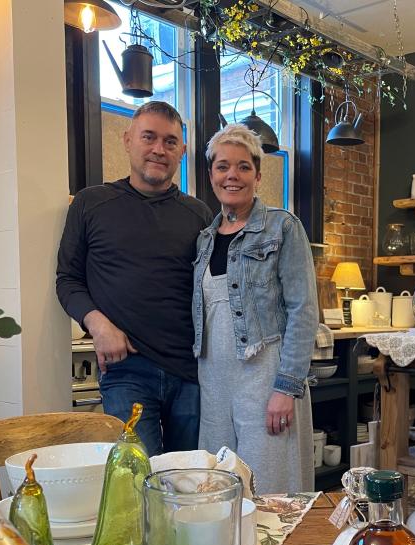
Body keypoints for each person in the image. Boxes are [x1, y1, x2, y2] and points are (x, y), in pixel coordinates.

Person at [57, 101, 213, 455]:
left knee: (185, 480)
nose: (159, 149)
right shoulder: (90, 203)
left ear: (182, 152)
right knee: (138, 476)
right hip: (126, 368)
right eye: (149, 137)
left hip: (192, 371)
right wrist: (98, 326)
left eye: (170, 142)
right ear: (128, 140)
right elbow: (67, 280)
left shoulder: (199, 214)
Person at [193, 124, 318, 494]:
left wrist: (286, 388)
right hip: (213, 383)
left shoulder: (284, 228)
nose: (232, 175)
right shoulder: (203, 240)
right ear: (211, 175)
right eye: (223, 166)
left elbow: (304, 310)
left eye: (244, 167)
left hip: (265, 378)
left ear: (258, 176)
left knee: (270, 492)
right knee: (218, 490)